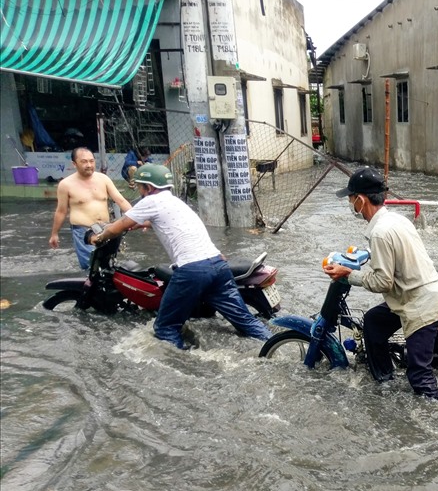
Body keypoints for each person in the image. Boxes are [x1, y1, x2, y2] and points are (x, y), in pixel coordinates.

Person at [90, 164, 272, 350]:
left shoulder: (150, 201)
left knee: (165, 327)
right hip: (218, 265)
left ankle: (185, 365)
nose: (139, 190)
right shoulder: (176, 203)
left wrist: (99, 237)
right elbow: (168, 222)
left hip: (192, 270)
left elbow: (117, 226)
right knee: (245, 321)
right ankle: (277, 344)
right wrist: (140, 224)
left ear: (149, 188)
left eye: (140, 186)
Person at [323, 167, 438, 401]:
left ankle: (436, 413)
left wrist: (348, 273)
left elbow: (383, 281)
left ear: (361, 200)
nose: (350, 204)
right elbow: (392, 255)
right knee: (373, 322)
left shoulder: (380, 232)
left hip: (421, 304)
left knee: (419, 376)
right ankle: (385, 382)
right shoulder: (395, 219)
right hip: (416, 293)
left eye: (351, 199)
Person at [49, 147, 133, 271]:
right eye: (84, 161)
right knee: (91, 267)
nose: (89, 165)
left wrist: (136, 218)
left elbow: (120, 200)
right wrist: (54, 234)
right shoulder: (66, 184)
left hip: (106, 228)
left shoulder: (103, 179)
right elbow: (61, 211)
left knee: (108, 265)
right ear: (74, 164)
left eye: (91, 161)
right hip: (82, 230)